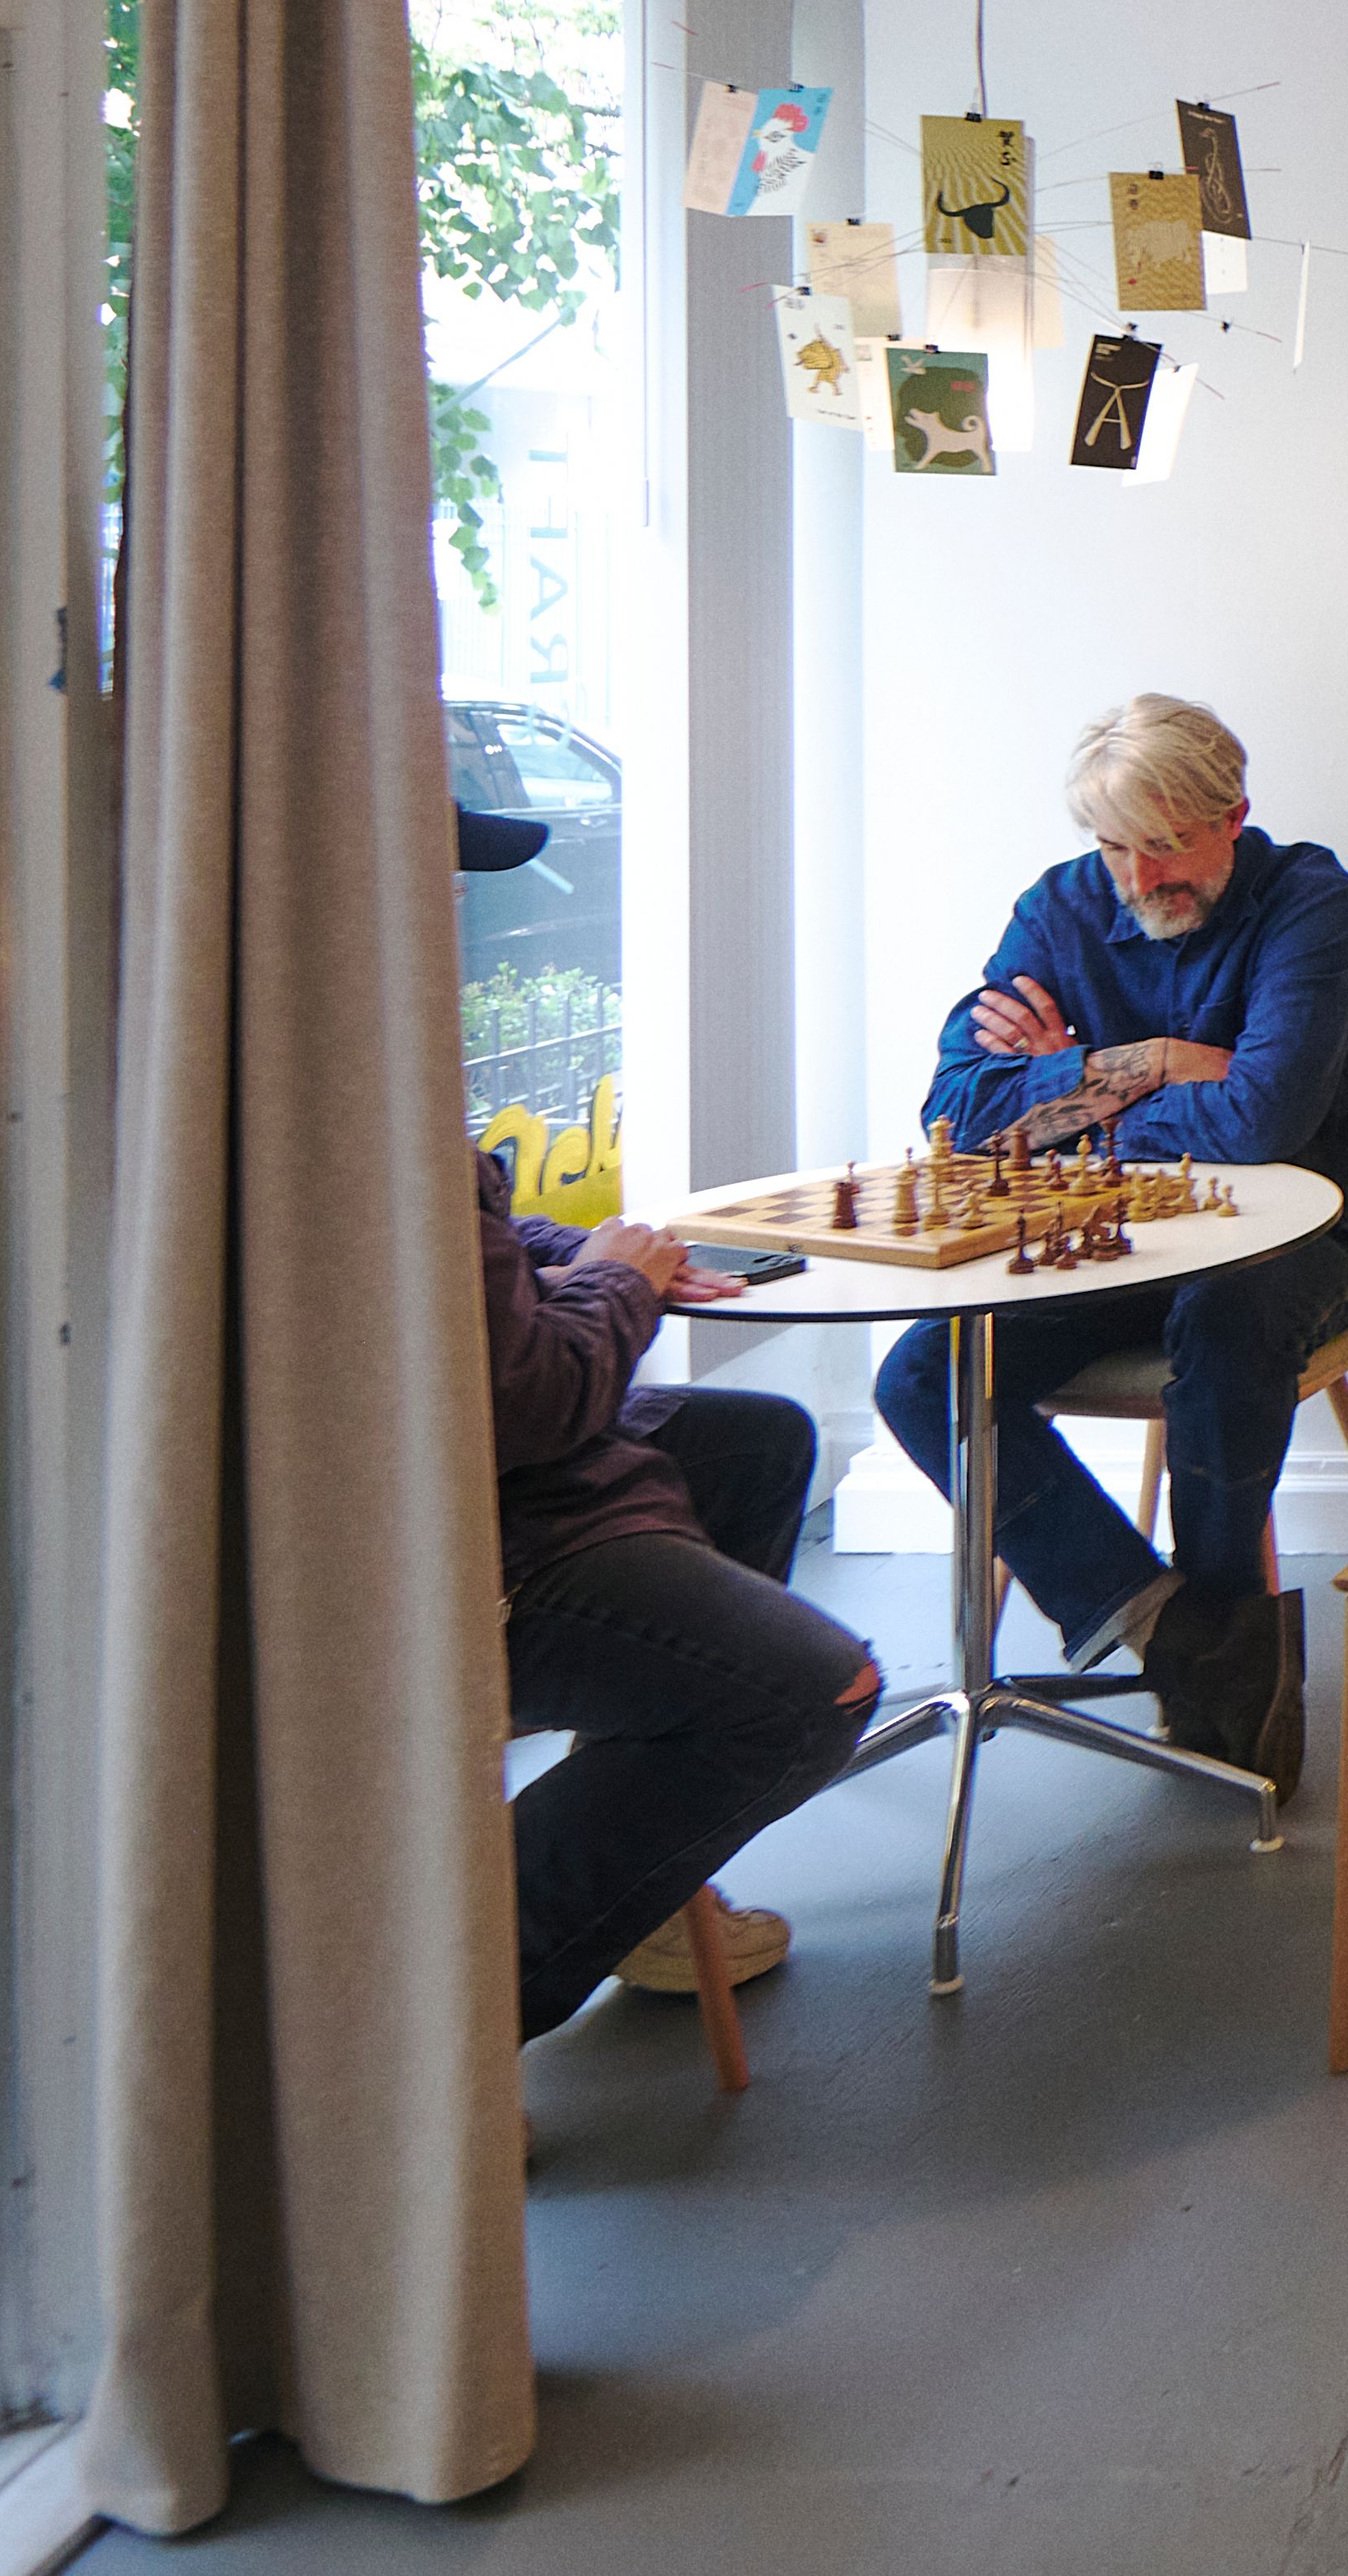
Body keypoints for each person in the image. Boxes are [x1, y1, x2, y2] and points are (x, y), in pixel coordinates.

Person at [870, 698, 1348, 1793]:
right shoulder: (1059, 908)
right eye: (1114, 844)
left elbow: (1261, 1123)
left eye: (1165, 843)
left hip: (1306, 1228)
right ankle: (1185, 1636)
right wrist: (1159, 1060)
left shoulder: (1312, 900)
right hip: (1111, 1237)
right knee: (922, 1375)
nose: (1137, 874)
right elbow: (960, 1113)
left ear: (1234, 817)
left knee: (1226, 1317)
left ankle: (1218, 1617)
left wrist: (1072, 1090)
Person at [463, 800, 879, 2039]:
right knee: (815, 1693)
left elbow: (483, 1246)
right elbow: (536, 1399)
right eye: (444, 873)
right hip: (468, 1530)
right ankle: (450, 2014)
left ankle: (644, 1882)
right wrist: (619, 1287)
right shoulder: (355, 1080)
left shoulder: (368, 1050)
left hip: (499, 1471)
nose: (462, 902)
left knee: (759, 1446)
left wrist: (590, 1254)